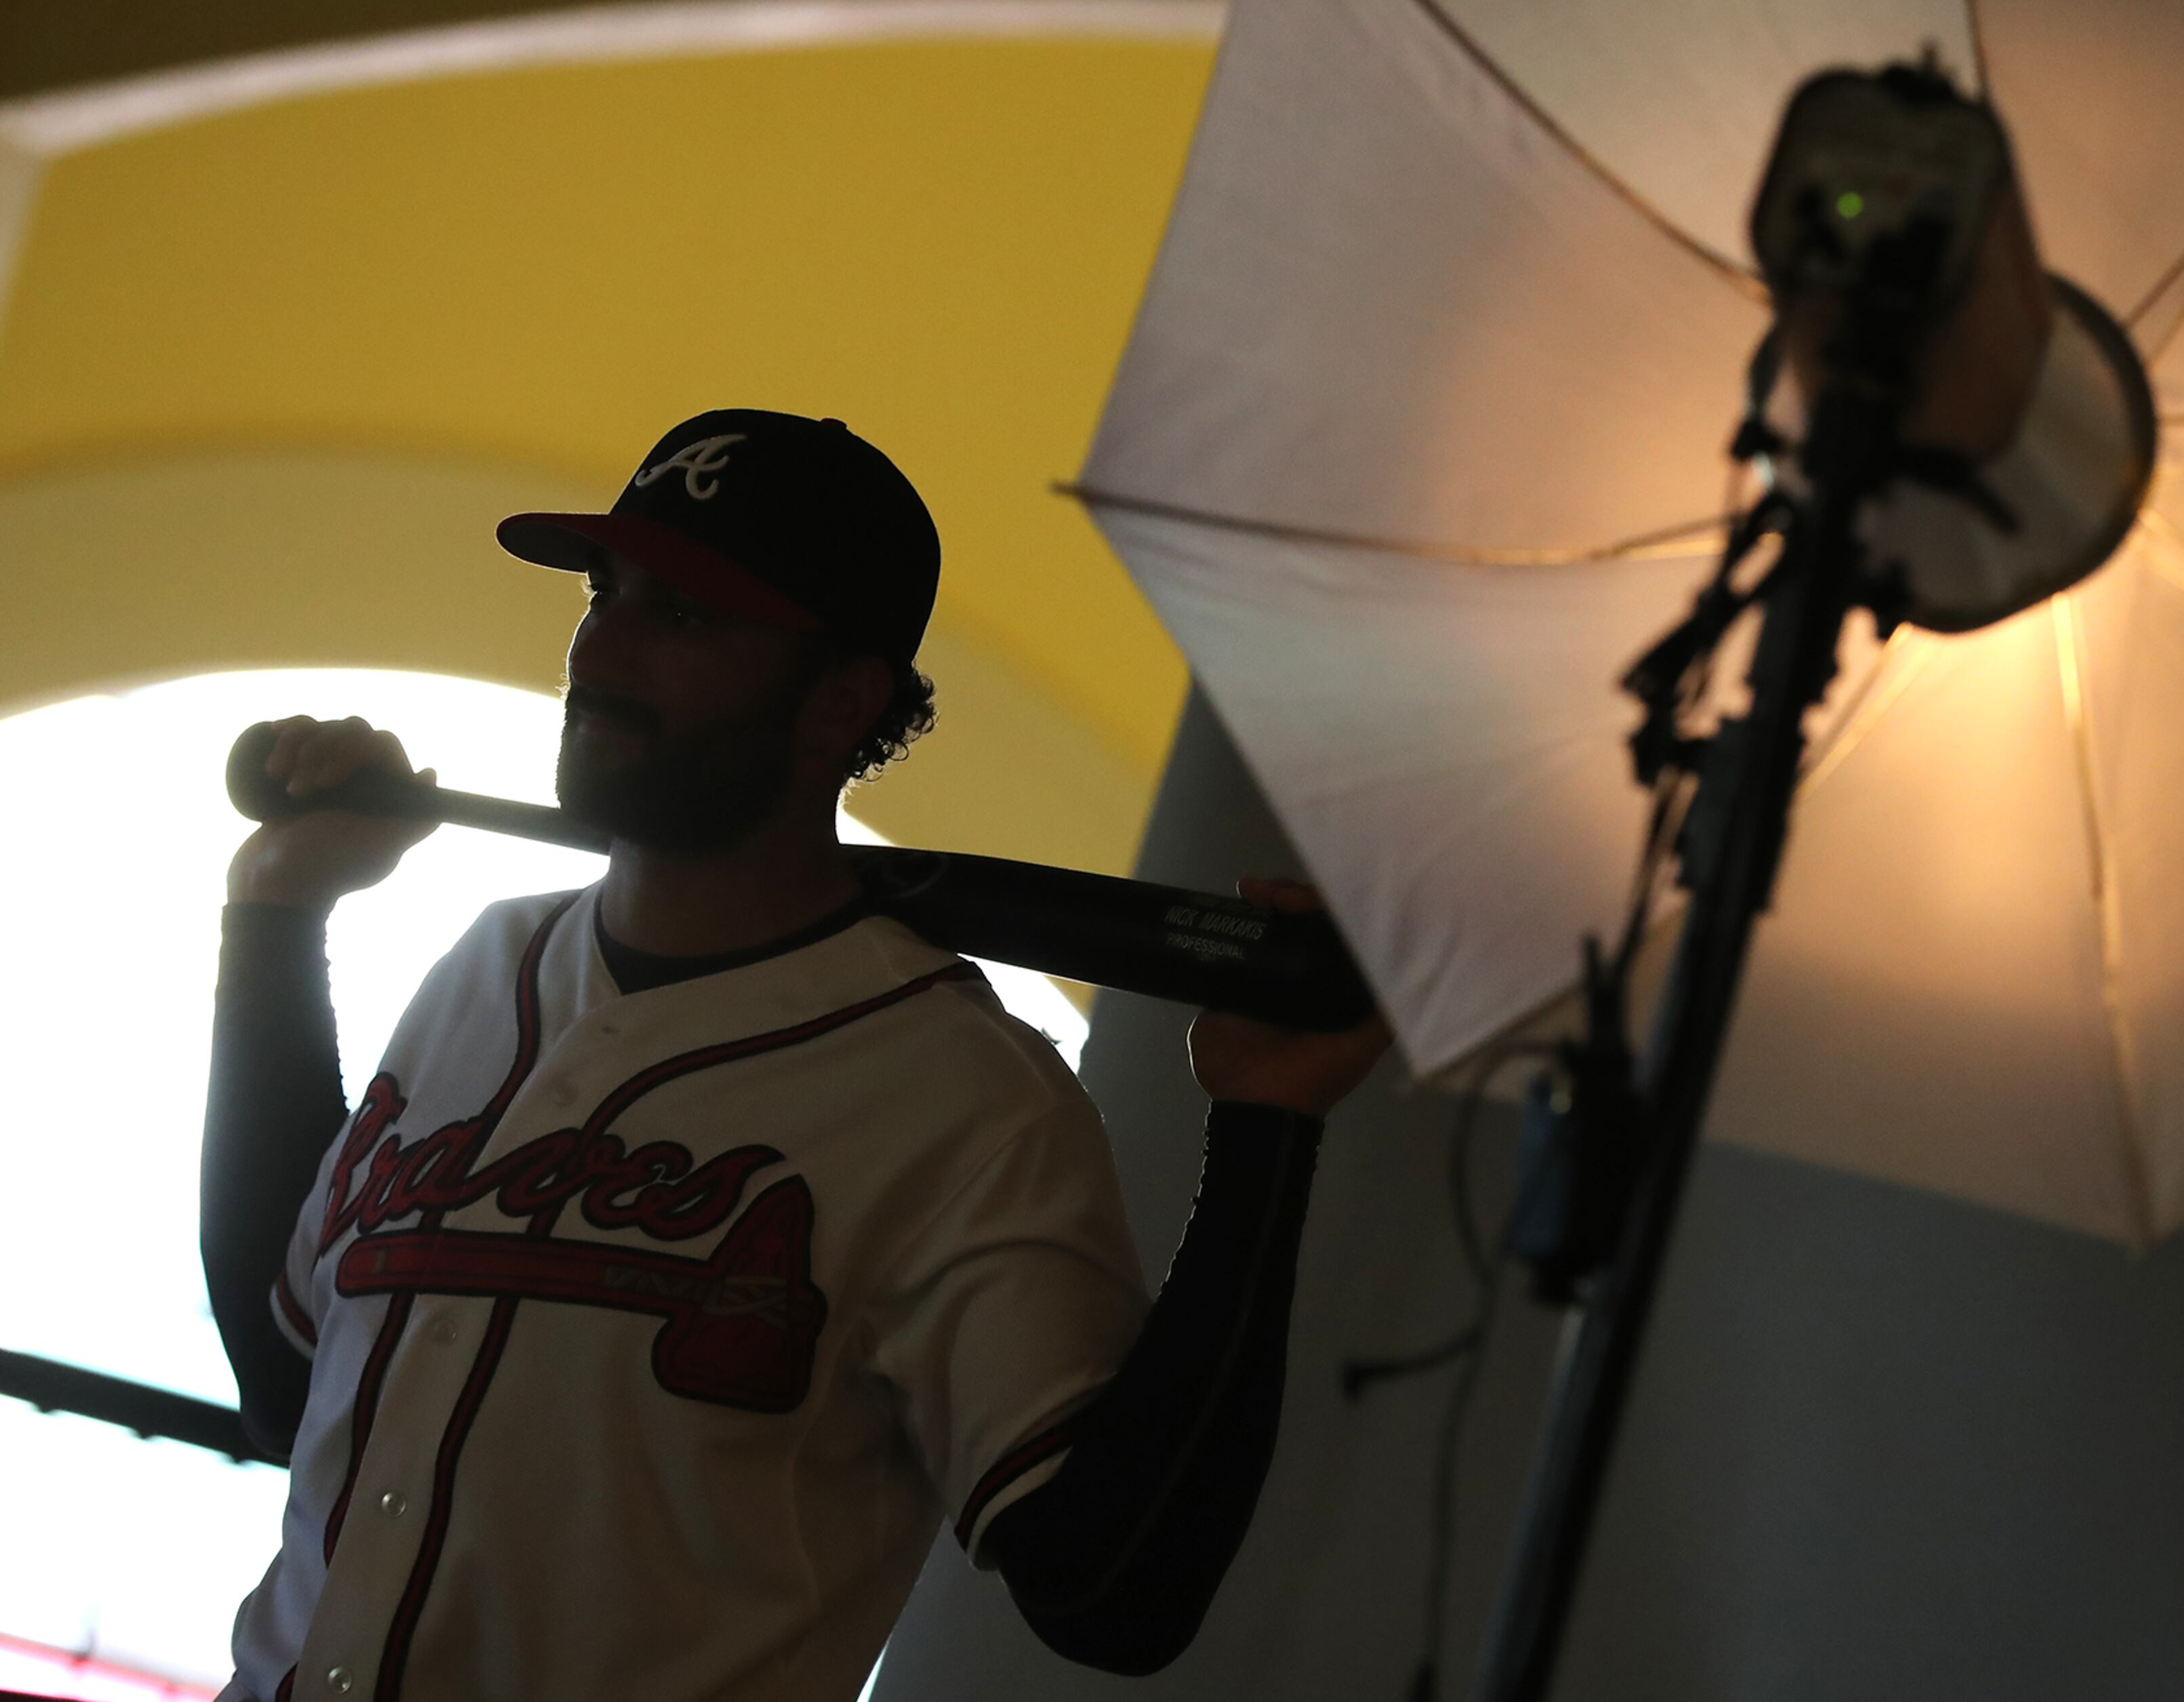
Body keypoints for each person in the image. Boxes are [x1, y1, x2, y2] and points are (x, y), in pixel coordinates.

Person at [200, 410, 1395, 1702]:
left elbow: (1118, 1591)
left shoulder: (965, 1097)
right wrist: (277, 916)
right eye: (610, 592)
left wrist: (1268, 1130)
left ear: (841, 701)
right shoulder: (483, 970)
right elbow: (286, 1384)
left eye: (688, 616)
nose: (601, 647)